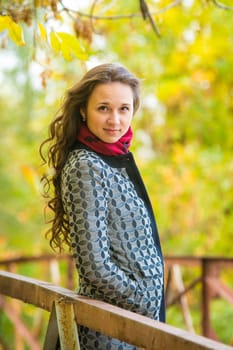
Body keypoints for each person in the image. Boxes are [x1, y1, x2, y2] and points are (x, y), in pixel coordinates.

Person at [40, 63, 165, 349]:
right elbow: (94, 266)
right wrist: (142, 300)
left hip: (129, 324)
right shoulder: (87, 165)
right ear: (83, 110)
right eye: (103, 108)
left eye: (124, 109)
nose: (115, 120)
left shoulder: (113, 160)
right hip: (108, 331)